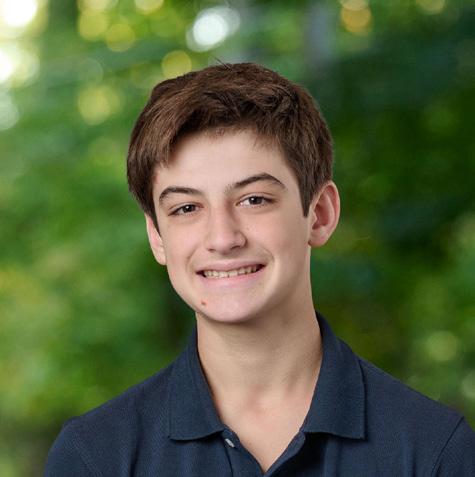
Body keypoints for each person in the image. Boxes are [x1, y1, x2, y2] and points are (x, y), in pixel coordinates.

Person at [44, 63, 475, 476]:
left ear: (320, 214)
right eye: (186, 208)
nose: (222, 238)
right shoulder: (95, 458)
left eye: (254, 200)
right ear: (157, 236)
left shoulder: (434, 450)